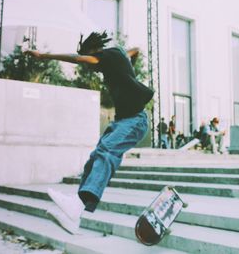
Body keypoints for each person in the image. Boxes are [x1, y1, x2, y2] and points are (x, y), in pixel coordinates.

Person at [25, 31, 154, 234]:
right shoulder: (119, 54)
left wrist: (43, 56)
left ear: (94, 51)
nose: (91, 68)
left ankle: (78, 204)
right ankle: (74, 214)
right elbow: (135, 50)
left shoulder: (103, 56)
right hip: (124, 121)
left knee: (107, 152)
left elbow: (76, 58)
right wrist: (130, 71)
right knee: (95, 157)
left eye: (90, 63)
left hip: (135, 121)